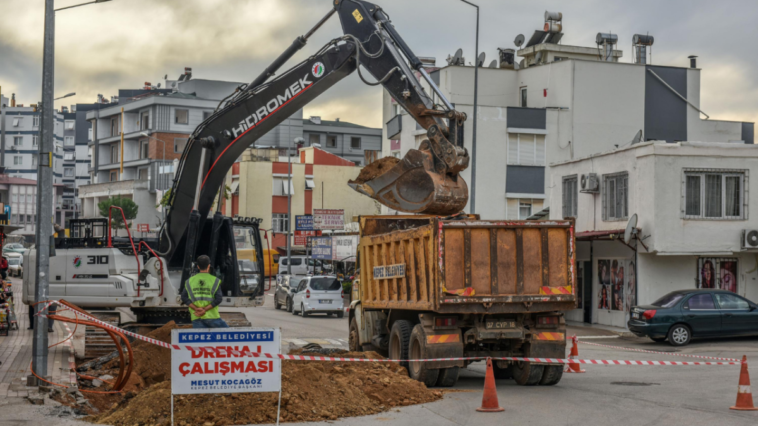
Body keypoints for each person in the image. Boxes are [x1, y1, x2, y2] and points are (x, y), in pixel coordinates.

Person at [181, 255, 228, 328]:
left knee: (201, 339)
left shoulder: (189, 281)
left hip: (196, 317)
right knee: (227, 335)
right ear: (209, 266)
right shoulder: (215, 280)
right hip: (212, 317)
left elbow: (184, 297)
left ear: (198, 267)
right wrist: (204, 310)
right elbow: (218, 299)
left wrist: (196, 309)